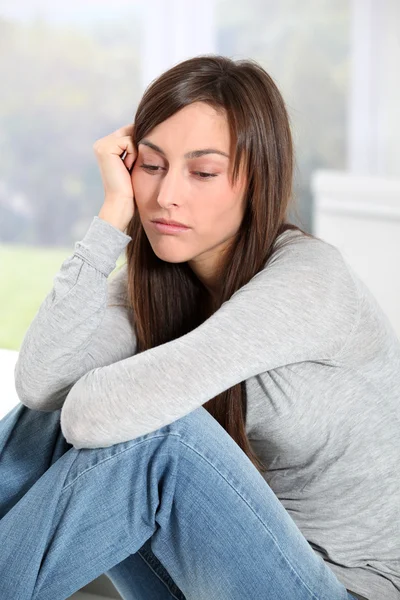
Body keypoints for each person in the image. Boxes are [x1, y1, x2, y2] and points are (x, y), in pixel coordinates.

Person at [1, 54, 398, 600]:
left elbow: (96, 416)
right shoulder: (159, 280)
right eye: (151, 165)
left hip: (343, 589)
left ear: (255, 180)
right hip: (220, 575)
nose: (166, 197)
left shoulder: (308, 281)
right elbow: (42, 385)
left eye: (204, 172)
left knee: (160, 437)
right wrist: (113, 215)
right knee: (44, 417)